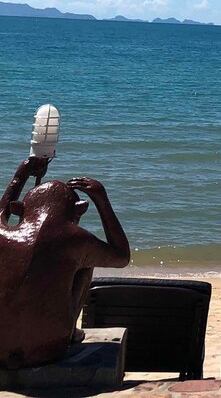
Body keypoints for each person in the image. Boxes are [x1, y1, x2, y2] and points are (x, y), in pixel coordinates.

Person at [0, 157, 130, 370]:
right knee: (85, 263)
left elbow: (1, 213)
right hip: (47, 347)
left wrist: (20, 175)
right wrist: (102, 200)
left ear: (19, 209)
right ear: (79, 210)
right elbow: (121, 257)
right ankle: (70, 333)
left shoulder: (2, 234)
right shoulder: (77, 240)